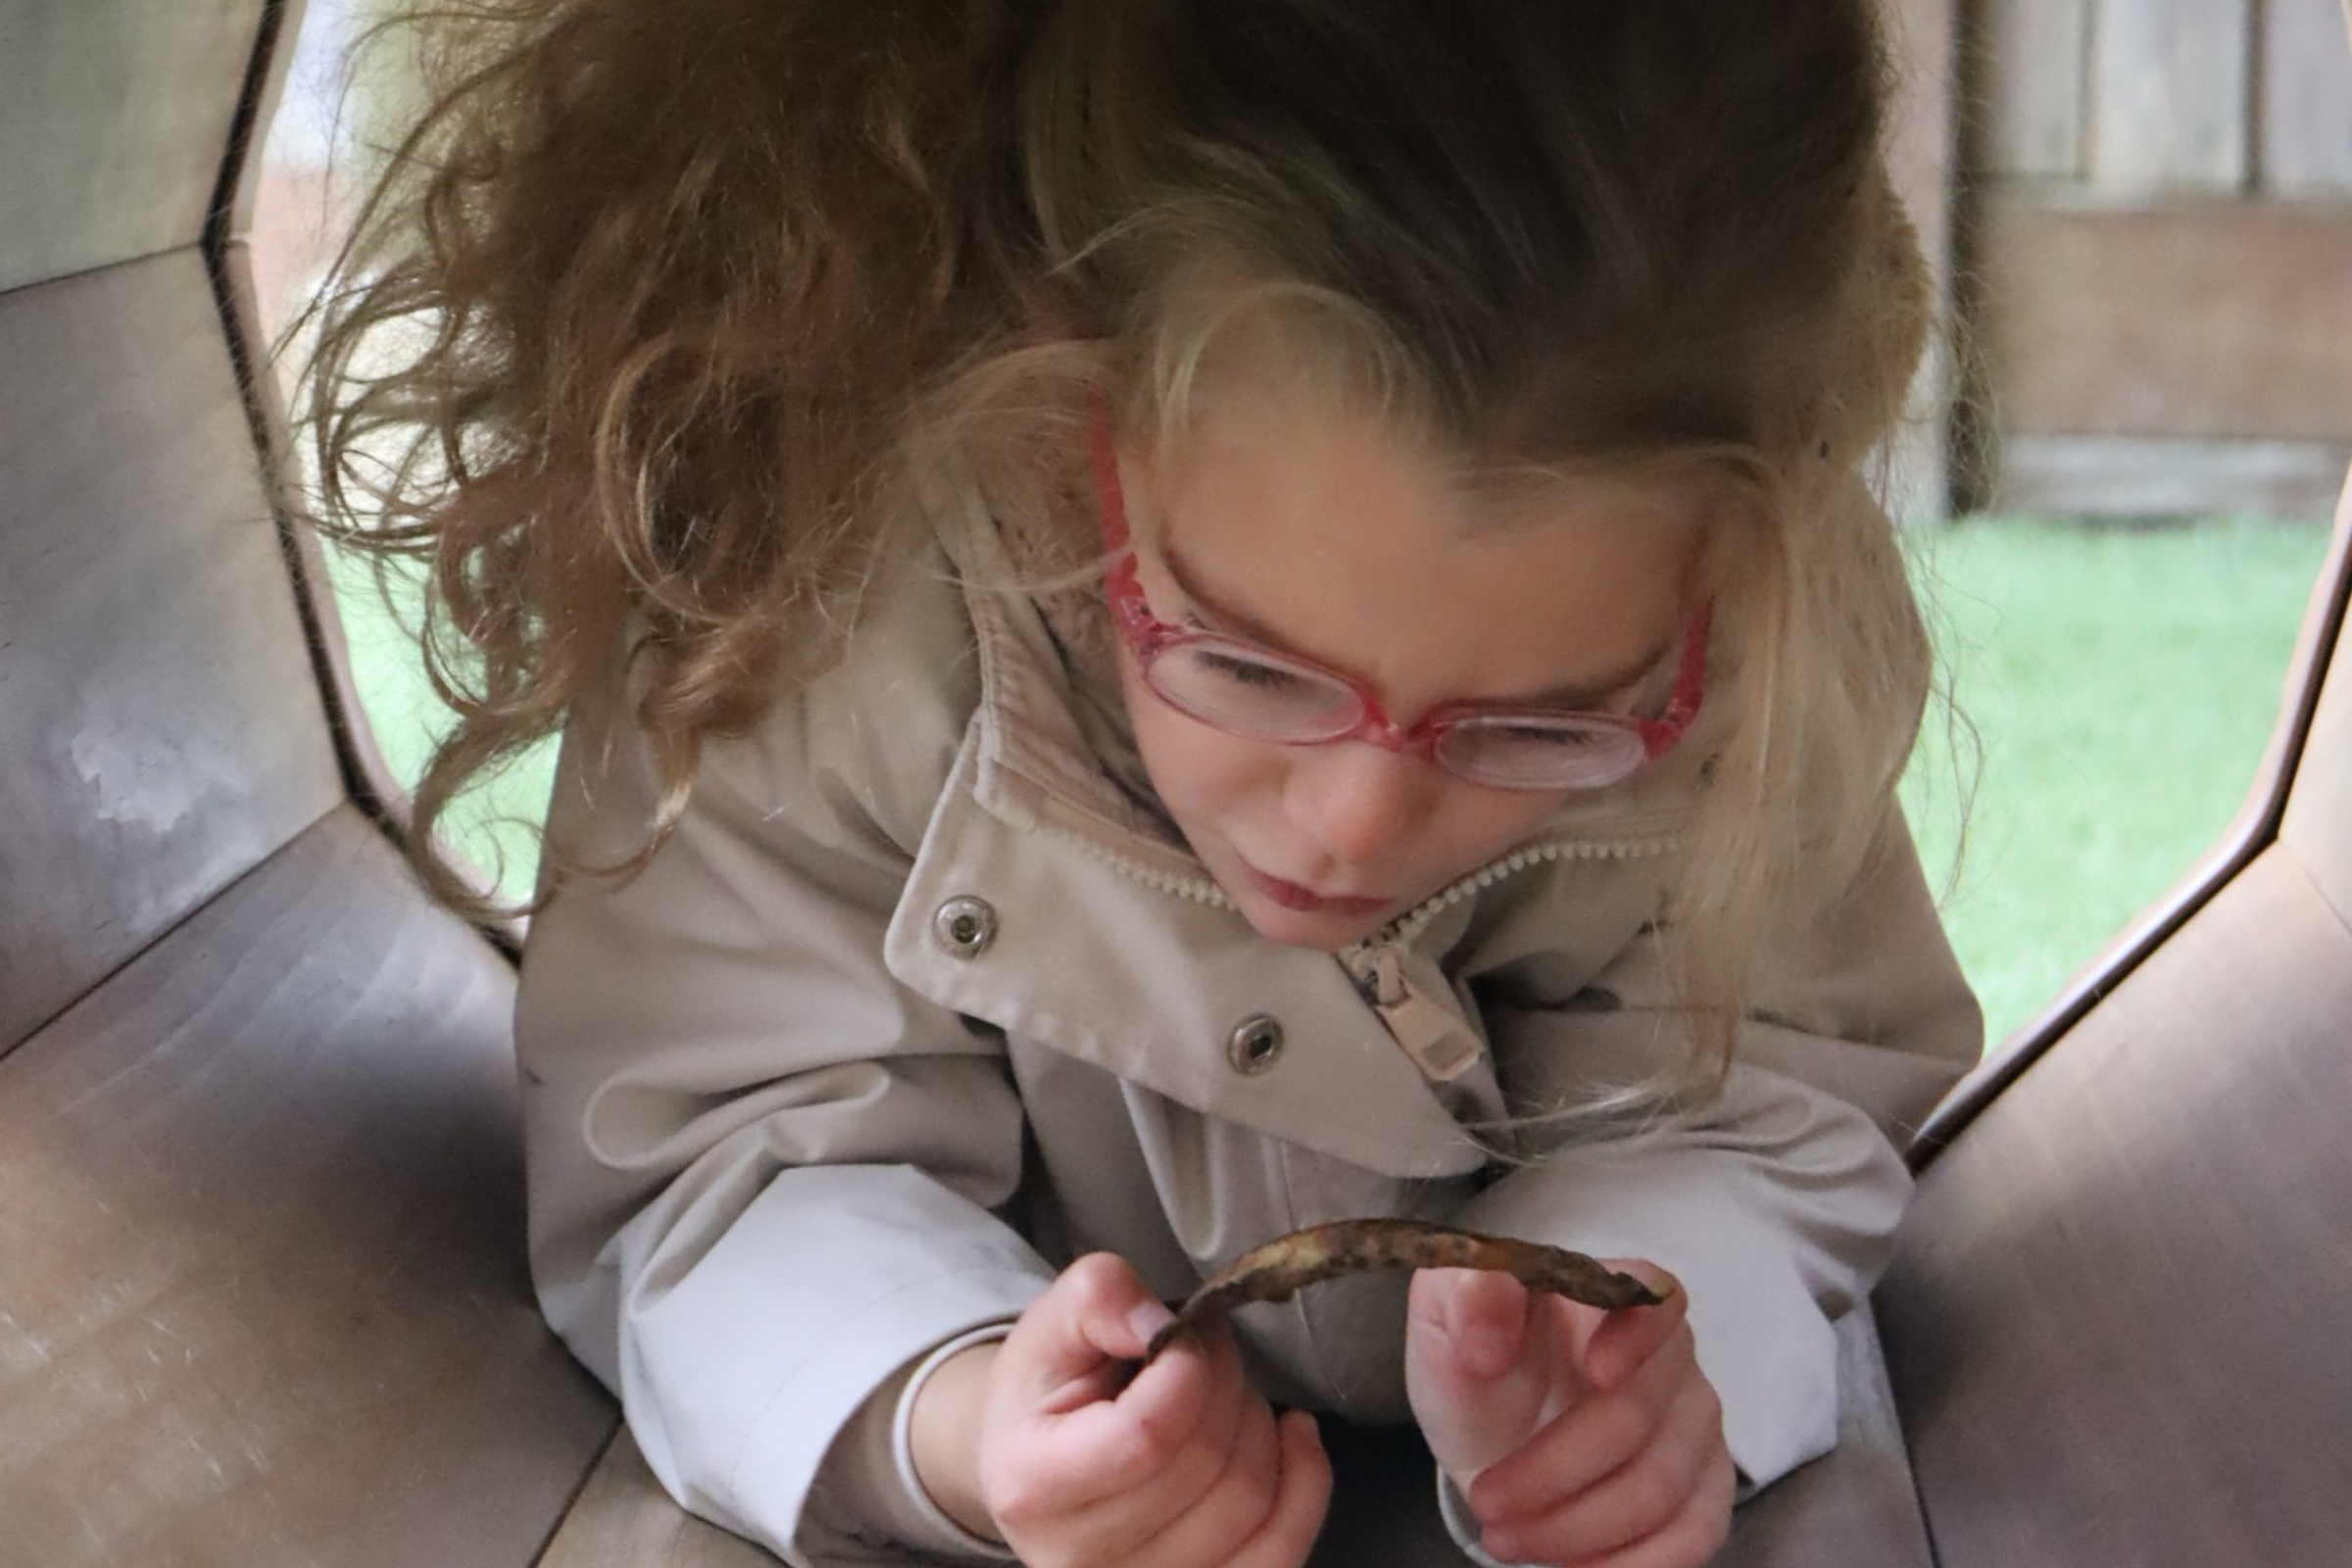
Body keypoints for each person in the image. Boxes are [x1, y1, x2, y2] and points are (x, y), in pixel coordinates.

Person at [303, 3, 1984, 1564]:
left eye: (1539, 728)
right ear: (1062, 411)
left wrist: (1623, 1356)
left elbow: (1777, 1083)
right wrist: (951, 1413)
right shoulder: (803, 611)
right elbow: (714, 1151)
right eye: (1249, 666)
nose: (1352, 826)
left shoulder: (1750, 667)